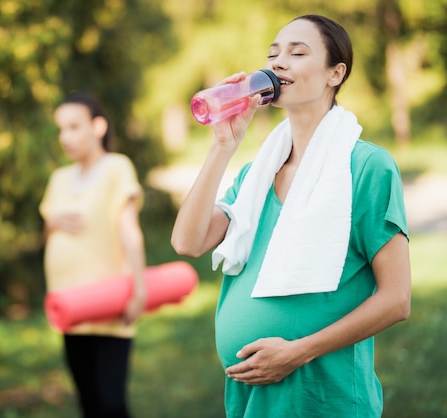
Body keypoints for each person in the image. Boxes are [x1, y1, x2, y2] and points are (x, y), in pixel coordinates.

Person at [171, 14, 411, 418]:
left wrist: (297, 352)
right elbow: (187, 242)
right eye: (273, 53)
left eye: (297, 53)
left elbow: (396, 299)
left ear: (336, 73)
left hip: (322, 397)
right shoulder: (255, 176)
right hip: (252, 399)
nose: (279, 62)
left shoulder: (367, 167)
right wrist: (223, 146)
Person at [39, 93, 146, 418]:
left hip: (108, 304)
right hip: (70, 306)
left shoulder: (116, 168)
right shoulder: (58, 178)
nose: (65, 137)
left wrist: (139, 290)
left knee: (111, 403)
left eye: (74, 127)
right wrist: (52, 224)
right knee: (87, 400)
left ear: (98, 126)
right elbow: (47, 234)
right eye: (61, 129)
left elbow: (129, 230)